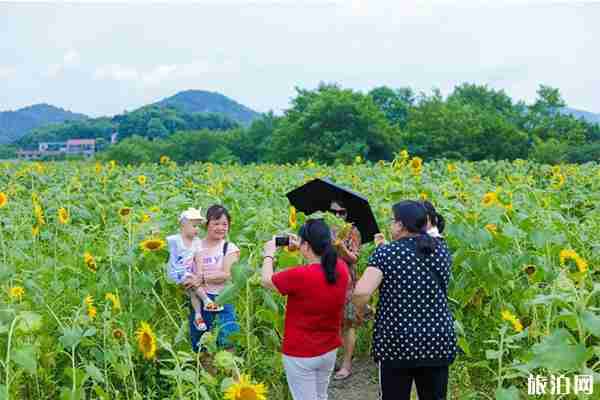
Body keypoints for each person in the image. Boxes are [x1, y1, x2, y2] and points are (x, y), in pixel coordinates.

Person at [353, 200, 457, 400]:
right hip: (437, 339)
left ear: (401, 225)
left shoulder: (387, 253)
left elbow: (360, 293)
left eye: (393, 220)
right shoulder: (441, 250)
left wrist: (364, 310)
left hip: (397, 342)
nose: (391, 225)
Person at [261, 219, 350, 400]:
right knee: (320, 396)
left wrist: (268, 254)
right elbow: (320, 267)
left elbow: (266, 280)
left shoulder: (300, 276)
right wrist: (304, 248)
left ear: (307, 245)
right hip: (328, 349)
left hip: (301, 352)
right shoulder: (340, 268)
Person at [184, 205, 241, 351]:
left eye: (225, 224)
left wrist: (201, 278)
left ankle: (228, 370)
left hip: (223, 298)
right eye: (216, 223)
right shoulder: (194, 246)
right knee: (201, 343)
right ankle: (205, 371)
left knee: (228, 339)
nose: (221, 228)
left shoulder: (229, 247)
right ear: (207, 224)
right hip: (199, 298)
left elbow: (227, 274)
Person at [166, 208, 218, 331]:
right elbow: (161, 244)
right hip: (175, 273)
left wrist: (199, 274)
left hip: (188, 273)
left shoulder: (196, 242)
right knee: (192, 282)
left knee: (193, 293)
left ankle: (198, 316)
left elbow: (198, 259)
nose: (197, 229)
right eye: (194, 226)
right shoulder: (174, 240)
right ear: (183, 226)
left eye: (198, 227)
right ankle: (207, 301)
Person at [329, 201, 362, 380]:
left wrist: (341, 247)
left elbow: (355, 258)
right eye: (334, 212)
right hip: (326, 279)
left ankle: (347, 364)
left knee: (348, 323)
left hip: (347, 283)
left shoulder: (353, 232)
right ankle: (330, 359)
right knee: (329, 320)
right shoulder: (324, 230)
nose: (338, 216)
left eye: (342, 212)